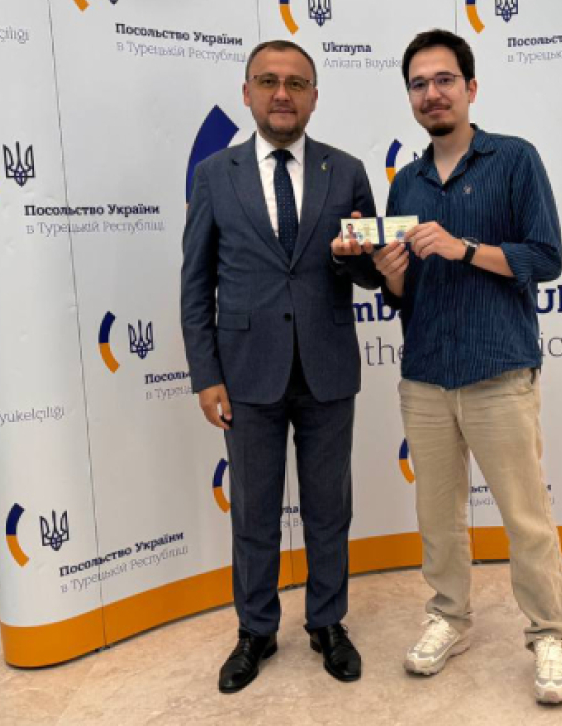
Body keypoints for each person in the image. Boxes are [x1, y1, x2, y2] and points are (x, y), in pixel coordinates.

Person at [371, 29, 562, 704]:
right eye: (418, 84)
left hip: (499, 370)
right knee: (438, 517)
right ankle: (448, 618)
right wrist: (392, 273)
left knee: (525, 518)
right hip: (426, 375)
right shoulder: (404, 181)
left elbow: (545, 258)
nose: (431, 94)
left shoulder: (514, 159)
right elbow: (402, 296)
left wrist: (463, 248)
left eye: (443, 80)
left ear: (470, 87)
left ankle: (548, 632)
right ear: (409, 97)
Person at [181, 38, 381, 694]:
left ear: (314, 96)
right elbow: (196, 283)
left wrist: (359, 259)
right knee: (254, 512)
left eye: (296, 83)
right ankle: (256, 630)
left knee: (329, 509)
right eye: (268, 81)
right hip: (245, 373)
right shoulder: (215, 174)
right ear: (247, 93)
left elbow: (368, 274)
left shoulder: (346, 171)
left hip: (327, 368)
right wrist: (206, 374)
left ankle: (327, 622)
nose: (282, 94)